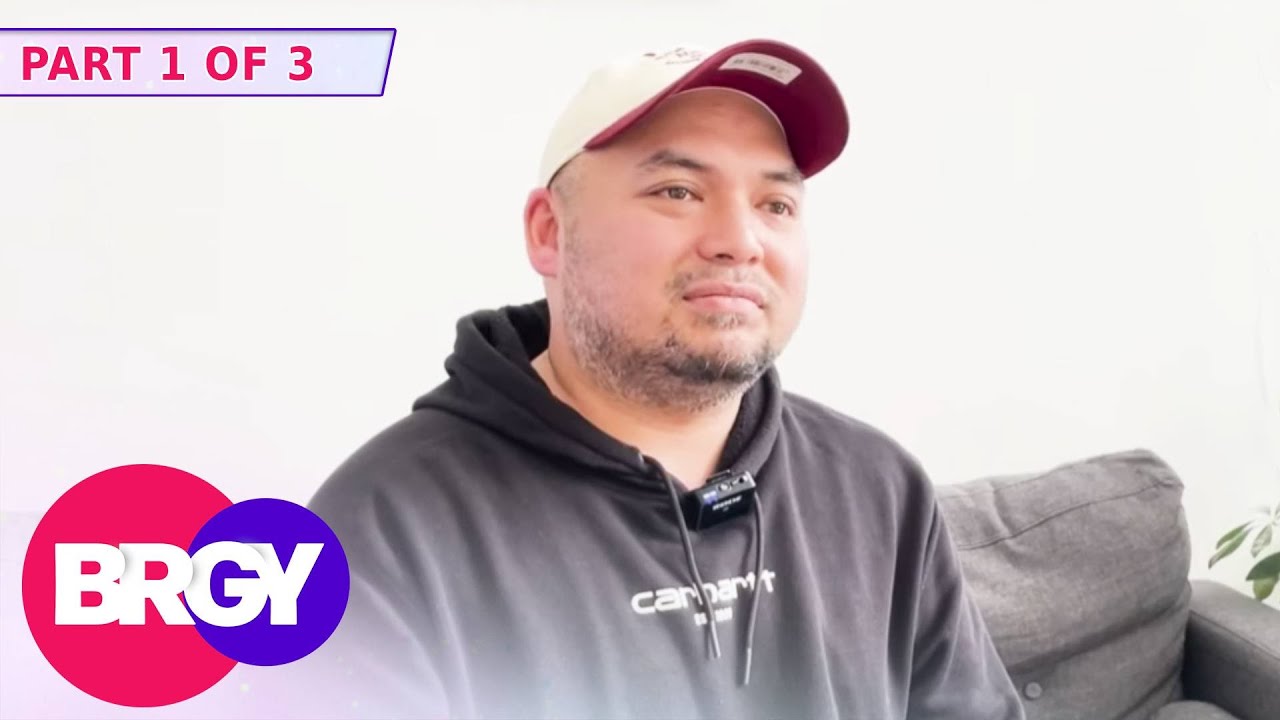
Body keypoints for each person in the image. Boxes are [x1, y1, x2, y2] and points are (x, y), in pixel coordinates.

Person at [292, 37, 1027, 720]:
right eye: (678, 191)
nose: (739, 241)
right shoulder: (376, 534)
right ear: (549, 232)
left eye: (775, 204)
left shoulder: (877, 489)